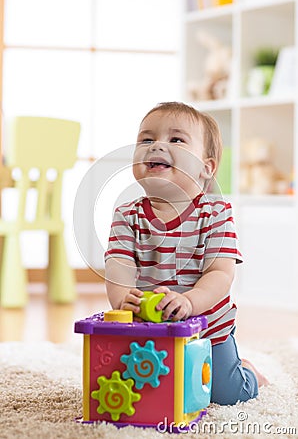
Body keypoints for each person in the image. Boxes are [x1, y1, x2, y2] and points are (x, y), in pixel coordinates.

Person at [104, 101, 268, 405]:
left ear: (207, 167)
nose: (157, 146)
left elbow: (220, 273)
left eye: (176, 139)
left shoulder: (217, 213)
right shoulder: (127, 215)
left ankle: (248, 374)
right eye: (147, 139)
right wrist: (122, 296)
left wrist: (190, 301)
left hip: (208, 328)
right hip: (151, 328)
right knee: (142, 391)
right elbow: (118, 265)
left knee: (225, 394)